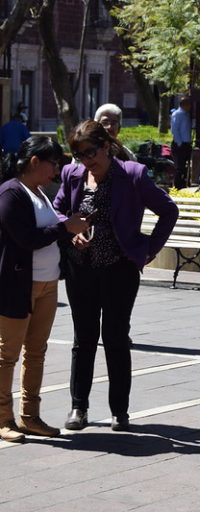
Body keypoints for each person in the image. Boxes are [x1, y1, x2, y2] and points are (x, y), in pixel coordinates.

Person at [54, 120, 178, 432]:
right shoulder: (72, 175)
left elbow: (168, 211)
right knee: (83, 339)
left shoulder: (132, 175)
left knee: (115, 337)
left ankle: (119, 411)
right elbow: (56, 211)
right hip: (80, 269)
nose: (85, 160)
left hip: (119, 269)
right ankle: (78, 408)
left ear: (107, 146)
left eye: (90, 152)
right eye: (79, 154)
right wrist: (70, 233)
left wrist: (148, 249)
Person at [0, 136, 90, 443]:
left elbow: (49, 229)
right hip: (18, 285)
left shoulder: (39, 191)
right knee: (7, 354)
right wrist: (65, 229)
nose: (56, 170)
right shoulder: (11, 193)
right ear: (35, 162)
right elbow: (26, 238)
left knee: (36, 352)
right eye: (53, 163)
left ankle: (30, 416)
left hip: (47, 283)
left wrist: (70, 233)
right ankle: (3, 418)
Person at [171, 96, 193, 189]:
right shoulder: (177, 114)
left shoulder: (186, 114)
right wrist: (179, 143)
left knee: (185, 165)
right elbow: (175, 129)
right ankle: (177, 185)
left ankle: (183, 183)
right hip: (179, 144)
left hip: (186, 143)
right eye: (189, 104)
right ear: (184, 104)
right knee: (179, 166)